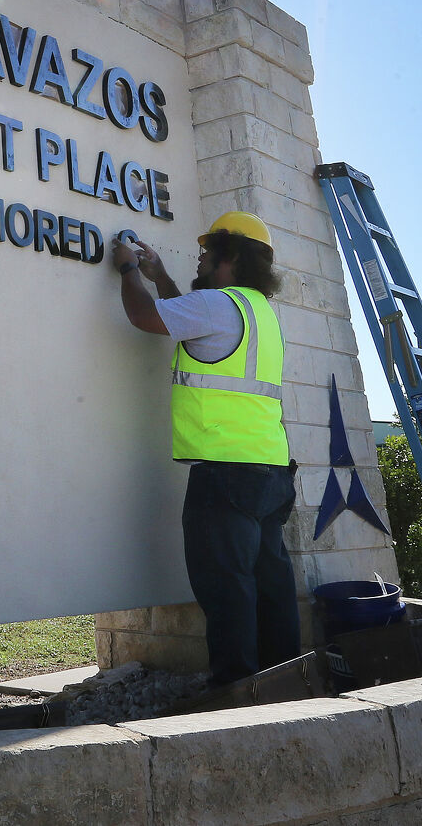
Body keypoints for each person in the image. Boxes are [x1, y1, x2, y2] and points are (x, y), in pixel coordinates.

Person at [111, 212, 298, 687]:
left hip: (227, 478)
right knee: (270, 589)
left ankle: (237, 694)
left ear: (229, 255)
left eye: (206, 248)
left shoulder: (218, 305)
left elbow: (144, 317)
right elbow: (191, 327)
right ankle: (288, 686)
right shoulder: (258, 311)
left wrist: (129, 271)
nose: (198, 255)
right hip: (271, 474)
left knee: (227, 591)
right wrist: (164, 277)